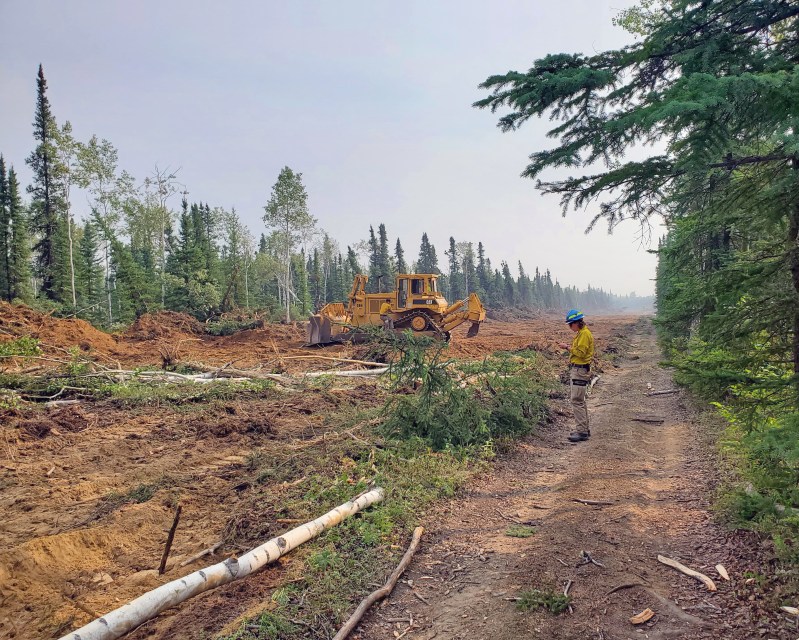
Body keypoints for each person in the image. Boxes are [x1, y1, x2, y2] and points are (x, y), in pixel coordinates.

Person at [558, 309, 594, 443]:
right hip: (579, 370)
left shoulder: (584, 335)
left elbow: (581, 353)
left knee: (577, 401)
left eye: (570, 324)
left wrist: (567, 347)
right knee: (580, 401)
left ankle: (582, 432)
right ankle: (584, 428)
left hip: (580, 371)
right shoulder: (581, 333)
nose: (569, 327)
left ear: (576, 323)